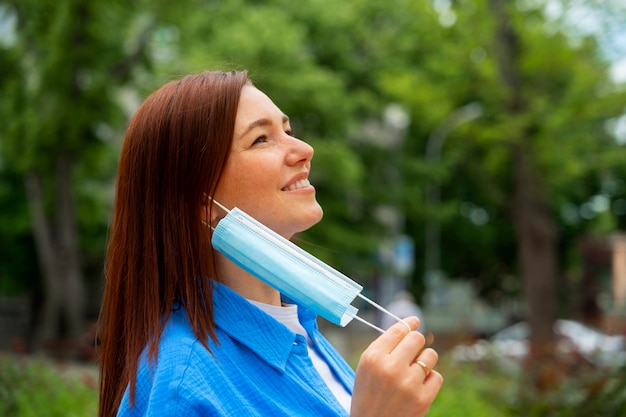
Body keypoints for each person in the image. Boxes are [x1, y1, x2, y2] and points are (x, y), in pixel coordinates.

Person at [97, 70, 443, 417]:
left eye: (288, 131)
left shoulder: (300, 329)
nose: (304, 150)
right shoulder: (182, 386)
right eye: (261, 139)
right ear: (199, 201)